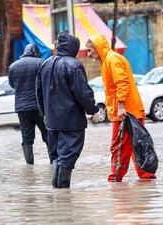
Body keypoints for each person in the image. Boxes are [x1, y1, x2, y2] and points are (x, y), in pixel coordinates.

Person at [86, 34, 156, 182]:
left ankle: (115, 178)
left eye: (90, 50)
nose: (89, 54)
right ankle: (146, 176)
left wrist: (121, 106)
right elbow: (115, 87)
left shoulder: (112, 60)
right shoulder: (109, 60)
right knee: (136, 144)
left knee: (118, 147)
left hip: (125, 112)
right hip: (129, 110)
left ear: (98, 48)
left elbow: (121, 83)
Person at [36, 32, 100, 188]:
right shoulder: (73, 65)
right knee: (68, 157)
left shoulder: (46, 64)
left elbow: (38, 92)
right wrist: (93, 109)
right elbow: (82, 92)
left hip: (51, 122)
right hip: (71, 122)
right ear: (73, 48)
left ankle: (58, 195)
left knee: (57, 156)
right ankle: (63, 193)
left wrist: (44, 114)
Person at [8, 44, 49, 165]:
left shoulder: (13, 66)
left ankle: (29, 165)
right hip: (39, 107)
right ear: (35, 52)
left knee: (26, 138)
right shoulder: (41, 63)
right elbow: (46, 81)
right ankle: (54, 162)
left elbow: (12, 85)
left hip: (22, 108)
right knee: (47, 134)